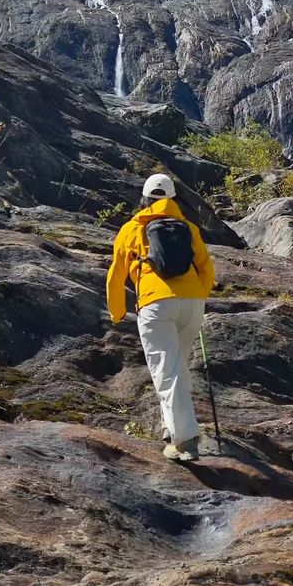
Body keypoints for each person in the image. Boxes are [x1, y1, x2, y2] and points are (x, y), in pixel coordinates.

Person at [106, 173, 215, 462]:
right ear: (171, 200)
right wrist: (197, 297)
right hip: (192, 303)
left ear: (144, 199)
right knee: (178, 367)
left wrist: (118, 312)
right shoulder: (189, 228)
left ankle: (185, 442)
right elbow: (207, 270)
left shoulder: (132, 229)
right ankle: (173, 428)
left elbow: (116, 276)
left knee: (166, 371)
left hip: (156, 304)